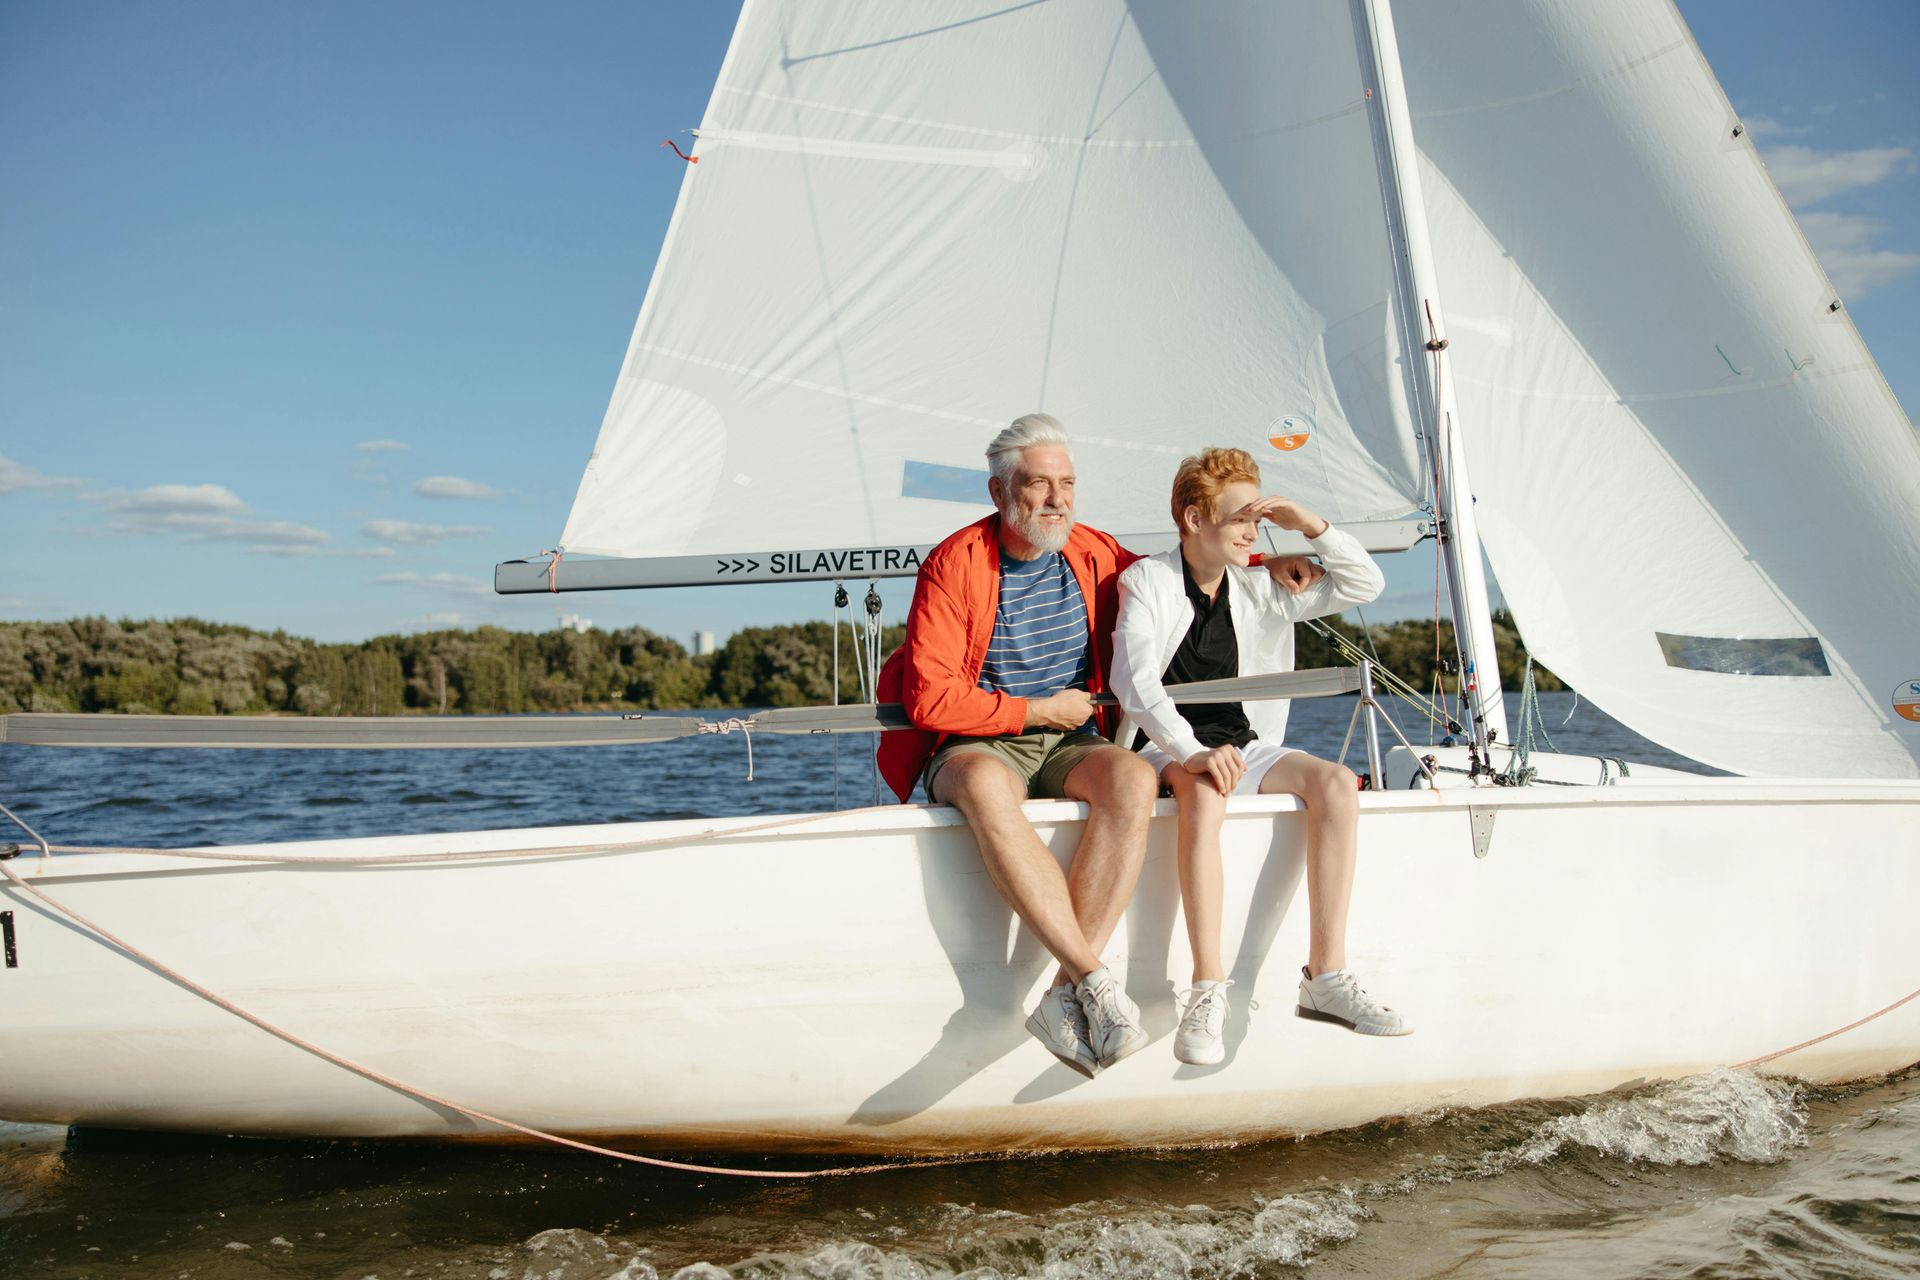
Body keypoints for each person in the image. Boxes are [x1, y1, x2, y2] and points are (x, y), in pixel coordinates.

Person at [875, 416, 1322, 1077]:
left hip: (1069, 741)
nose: (1057, 499)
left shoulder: (1093, 551)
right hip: (975, 741)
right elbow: (931, 701)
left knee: (1134, 780)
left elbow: (1183, 567)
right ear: (1000, 493)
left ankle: (1059, 999)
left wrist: (1260, 561)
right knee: (982, 784)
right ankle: (1092, 977)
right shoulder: (953, 563)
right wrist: (1033, 708)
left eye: (1067, 484)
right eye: (1038, 485)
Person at [1109, 446, 1412, 1068]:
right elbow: (1132, 680)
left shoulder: (1263, 585)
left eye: (1259, 519)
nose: (1254, 531)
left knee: (1333, 783)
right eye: (1241, 519)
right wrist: (1191, 753)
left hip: (1246, 745)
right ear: (1195, 520)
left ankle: (1324, 977)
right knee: (1203, 792)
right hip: (1166, 748)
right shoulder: (1145, 581)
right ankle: (1207, 988)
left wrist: (1311, 527)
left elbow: (1366, 584)